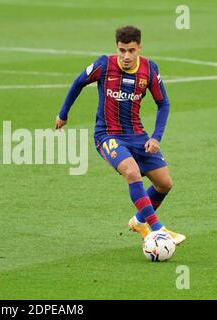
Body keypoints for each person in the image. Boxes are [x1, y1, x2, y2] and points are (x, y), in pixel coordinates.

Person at [55, 26, 185, 245]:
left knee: (165, 184)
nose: (126, 56)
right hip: (107, 135)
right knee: (132, 172)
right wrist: (63, 114)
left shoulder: (149, 69)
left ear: (139, 48)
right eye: (122, 50)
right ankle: (158, 229)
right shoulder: (103, 65)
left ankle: (139, 221)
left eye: (131, 51)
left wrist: (156, 137)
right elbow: (78, 83)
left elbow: (163, 103)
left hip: (138, 135)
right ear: (117, 47)